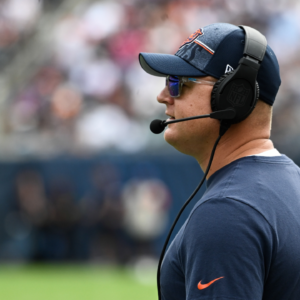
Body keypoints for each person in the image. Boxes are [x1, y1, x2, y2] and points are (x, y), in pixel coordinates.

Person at [139, 23, 300, 300]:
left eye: (178, 83)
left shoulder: (227, 211)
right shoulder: (292, 182)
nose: (163, 96)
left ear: (234, 95)